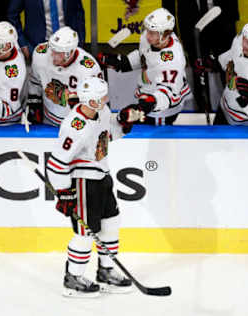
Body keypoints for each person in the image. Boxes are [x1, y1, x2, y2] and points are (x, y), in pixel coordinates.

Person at [46, 77, 144, 297]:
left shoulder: (102, 111)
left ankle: (106, 271)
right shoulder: (75, 126)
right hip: (83, 181)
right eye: (101, 98)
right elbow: (56, 162)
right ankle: (73, 278)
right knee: (85, 233)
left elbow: (107, 136)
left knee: (110, 224)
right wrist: (64, 193)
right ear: (91, 101)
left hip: (102, 175)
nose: (106, 99)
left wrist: (123, 121)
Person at [97, 8, 190, 125]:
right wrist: (122, 62)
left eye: (152, 32)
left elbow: (168, 96)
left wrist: (144, 107)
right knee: (123, 123)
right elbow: (146, 56)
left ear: (165, 34)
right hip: (148, 95)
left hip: (162, 111)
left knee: (127, 124)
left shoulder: (173, 62)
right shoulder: (152, 38)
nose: (147, 35)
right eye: (148, 29)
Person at [27, 26, 103, 126]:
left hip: (76, 125)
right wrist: (34, 105)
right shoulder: (40, 53)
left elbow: (98, 103)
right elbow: (35, 81)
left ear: (70, 52)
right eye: (52, 49)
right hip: (48, 121)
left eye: (58, 52)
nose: (52, 55)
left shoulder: (89, 69)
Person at [203, 19, 248, 125]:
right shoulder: (243, 39)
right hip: (225, 109)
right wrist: (215, 63)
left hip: (247, 123)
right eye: (244, 39)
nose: (244, 44)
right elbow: (233, 54)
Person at [7, 0, 86, 61]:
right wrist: (22, 43)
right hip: (36, 47)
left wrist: (80, 42)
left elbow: (78, 13)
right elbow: (12, 15)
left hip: (67, 46)